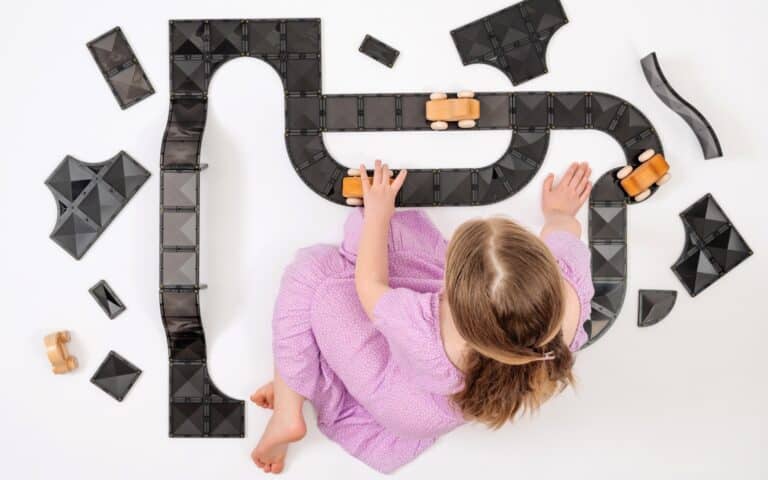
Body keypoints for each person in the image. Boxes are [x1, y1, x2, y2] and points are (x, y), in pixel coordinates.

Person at [250, 160, 594, 474]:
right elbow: (564, 229)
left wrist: (379, 215)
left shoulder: (427, 328)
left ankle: (288, 411)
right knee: (391, 251)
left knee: (314, 273)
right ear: (547, 269)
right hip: (438, 411)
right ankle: (308, 372)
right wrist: (559, 214)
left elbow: (370, 285)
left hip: (398, 405)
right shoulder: (570, 293)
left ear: (455, 301)